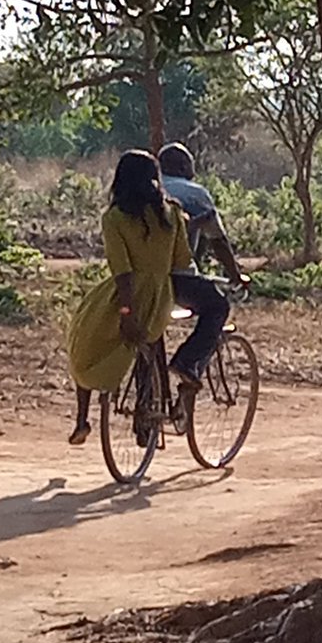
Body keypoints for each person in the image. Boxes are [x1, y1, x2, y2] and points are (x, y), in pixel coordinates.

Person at [66, 149, 193, 445]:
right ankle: (157, 405)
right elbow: (182, 261)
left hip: (127, 295)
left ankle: (82, 419)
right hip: (161, 297)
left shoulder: (115, 218)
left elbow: (122, 272)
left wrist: (127, 311)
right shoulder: (172, 214)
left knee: (83, 342)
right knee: (151, 345)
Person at [158, 141, 245, 392]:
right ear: (186, 167)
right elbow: (218, 242)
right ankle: (186, 361)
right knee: (217, 307)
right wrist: (235, 275)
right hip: (178, 277)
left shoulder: (146, 189)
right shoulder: (195, 194)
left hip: (141, 276)